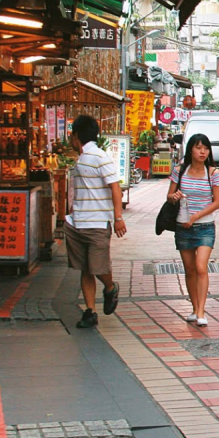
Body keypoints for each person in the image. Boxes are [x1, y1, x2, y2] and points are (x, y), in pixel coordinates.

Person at [65, 115, 125, 328]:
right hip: (77, 222)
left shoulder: (100, 156)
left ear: (76, 136)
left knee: (98, 267)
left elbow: (115, 187)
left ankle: (110, 288)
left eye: (71, 135)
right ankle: (90, 311)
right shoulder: (80, 158)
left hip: (98, 223)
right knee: (85, 269)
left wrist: (118, 218)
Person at [166, 133, 219, 326]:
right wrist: (175, 197)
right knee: (189, 269)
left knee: (201, 267)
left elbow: (217, 202)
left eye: (206, 148)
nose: (202, 152)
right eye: (198, 147)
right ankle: (194, 307)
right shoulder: (180, 170)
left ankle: (201, 312)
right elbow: (169, 195)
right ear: (190, 149)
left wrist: (196, 217)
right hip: (183, 225)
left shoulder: (213, 173)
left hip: (205, 226)